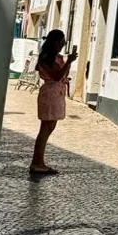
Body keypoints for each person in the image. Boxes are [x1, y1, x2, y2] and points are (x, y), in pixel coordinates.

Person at [31, 30, 77, 176]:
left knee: (48, 128)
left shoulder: (56, 57)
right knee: (45, 129)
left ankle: (39, 162)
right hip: (50, 94)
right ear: (55, 42)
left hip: (55, 94)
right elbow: (57, 76)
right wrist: (68, 62)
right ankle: (36, 163)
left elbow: (62, 74)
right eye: (61, 42)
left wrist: (67, 62)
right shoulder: (46, 58)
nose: (63, 45)